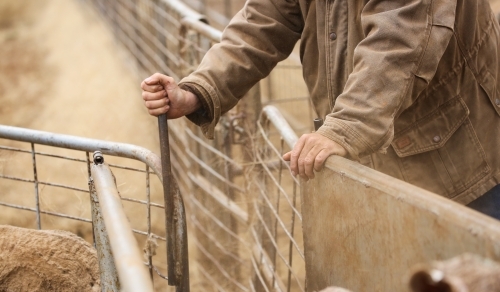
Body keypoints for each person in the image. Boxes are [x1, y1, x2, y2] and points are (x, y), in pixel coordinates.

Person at [141, 0, 500, 219]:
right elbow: (265, 19)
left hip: (459, 159)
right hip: (374, 158)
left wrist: (344, 128)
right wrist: (200, 89)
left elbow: (401, 38)